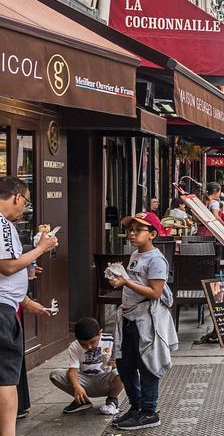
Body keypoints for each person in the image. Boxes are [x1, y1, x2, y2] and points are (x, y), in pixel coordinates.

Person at [110, 212, 177, 431]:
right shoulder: (135, 255)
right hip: (130, 317)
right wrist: (121, 279)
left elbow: (155, 292)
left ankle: (149, 412)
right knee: (125, 364)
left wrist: (126, 282)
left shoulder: (156, 260)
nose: (132, 233)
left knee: (147, 365)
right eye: (131, 229)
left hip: (145, 320)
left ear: (153, 234)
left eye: (138, 230)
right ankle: (136, 407)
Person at [0, 179, 57, 435]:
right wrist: (41, 249)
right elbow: (7, 266)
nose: (24, 208)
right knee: (5, 378)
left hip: (9, 303)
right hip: (2, 312)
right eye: (26, 201)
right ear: (16, 197)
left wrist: (26, 299)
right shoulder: (2, 224)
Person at [51, 317, 123, 416]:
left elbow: (125, 364)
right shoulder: (74, 346)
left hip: (105, 380)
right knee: (55, 375)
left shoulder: (111, 341)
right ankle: (82, 400)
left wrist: (117, 364)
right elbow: (73, 371)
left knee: (122, 372)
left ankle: (112, 399)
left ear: (100, 333)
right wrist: (77, 387)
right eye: (83, 344)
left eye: (92, 342)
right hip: (85, 381)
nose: (89, 347)